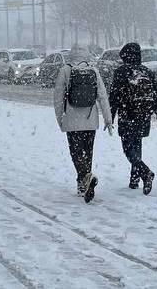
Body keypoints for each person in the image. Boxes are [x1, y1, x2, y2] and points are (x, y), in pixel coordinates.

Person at [53, 44, 113, 203]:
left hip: (72, 120)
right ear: (86, 55)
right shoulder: (93, 70)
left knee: (76, 153)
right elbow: (102, 96)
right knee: (87, 152)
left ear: (71, 55)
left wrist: (60, 119)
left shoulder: (65, 70)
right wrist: (108, 118)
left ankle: (86, 178)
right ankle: (83, 185)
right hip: (90, 119)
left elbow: (58, 99)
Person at [109, 42, 157, 195]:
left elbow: (114, 96)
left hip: (127, 114)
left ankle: (145, 173)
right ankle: (134, 181)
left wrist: (110, 116)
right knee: (137, 146)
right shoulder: (146, 71)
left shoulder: (121, 71)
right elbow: (155, 96)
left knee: (128, 150)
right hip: (144, 115)